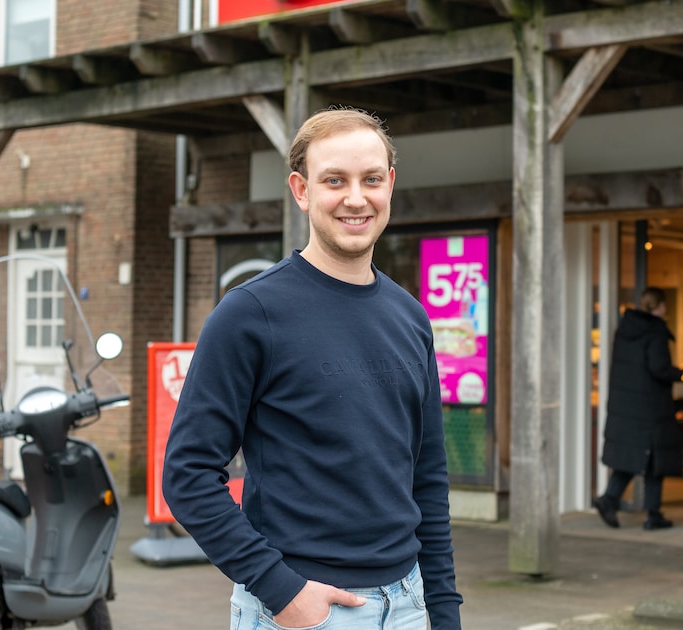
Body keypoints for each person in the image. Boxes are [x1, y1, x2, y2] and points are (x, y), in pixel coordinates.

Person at [162, 107, 462, 630]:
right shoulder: (250, 314)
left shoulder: (410, 317)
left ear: (389, 184)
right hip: (306, 611)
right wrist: (282, 591)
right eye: (334, 181)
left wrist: (444, 611)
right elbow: (187, 476)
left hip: (411, 606)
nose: (355, 197)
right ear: (301, 191)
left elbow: (427, 480)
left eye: (371, 179)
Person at [593, 287, 683, 531]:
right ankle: (652, 514)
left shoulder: (625, 331)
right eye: (664, 305)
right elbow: (658, 368)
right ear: (659, 306)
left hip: (627, 407)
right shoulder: (654, 332)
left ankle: (610, 499)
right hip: (650, 407)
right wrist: (682, 373)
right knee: (655, 460)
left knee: (632, 458)